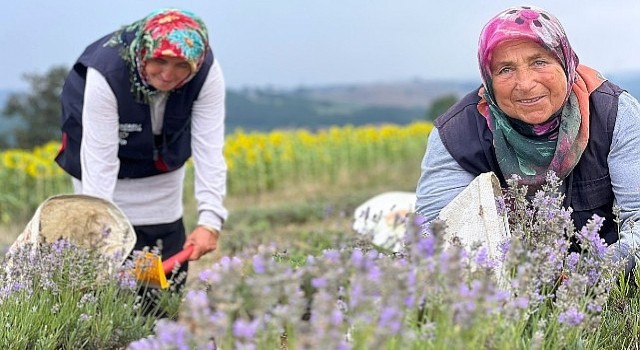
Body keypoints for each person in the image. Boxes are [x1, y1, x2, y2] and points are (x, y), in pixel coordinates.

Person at [415, 6, 640, 274]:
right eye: (505, 69)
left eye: (539, 62)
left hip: (610, 285)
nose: (525, 83)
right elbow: (435, 237)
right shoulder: (456, 135)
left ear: (565, 62)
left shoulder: (613, 113)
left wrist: (582, 277)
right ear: (488, 78)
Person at [55, 8, 228, 289]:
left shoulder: (206, 72)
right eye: (159, 61)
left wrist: (211, 220)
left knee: (162, 271)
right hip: (103, 162)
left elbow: (209, 148)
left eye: (181, 65)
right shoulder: (106, 72)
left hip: (160, 166)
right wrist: (97, 227)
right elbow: (100, 159)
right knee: (108, 272)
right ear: (144, 54)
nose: (169, 75)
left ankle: (160, 325)